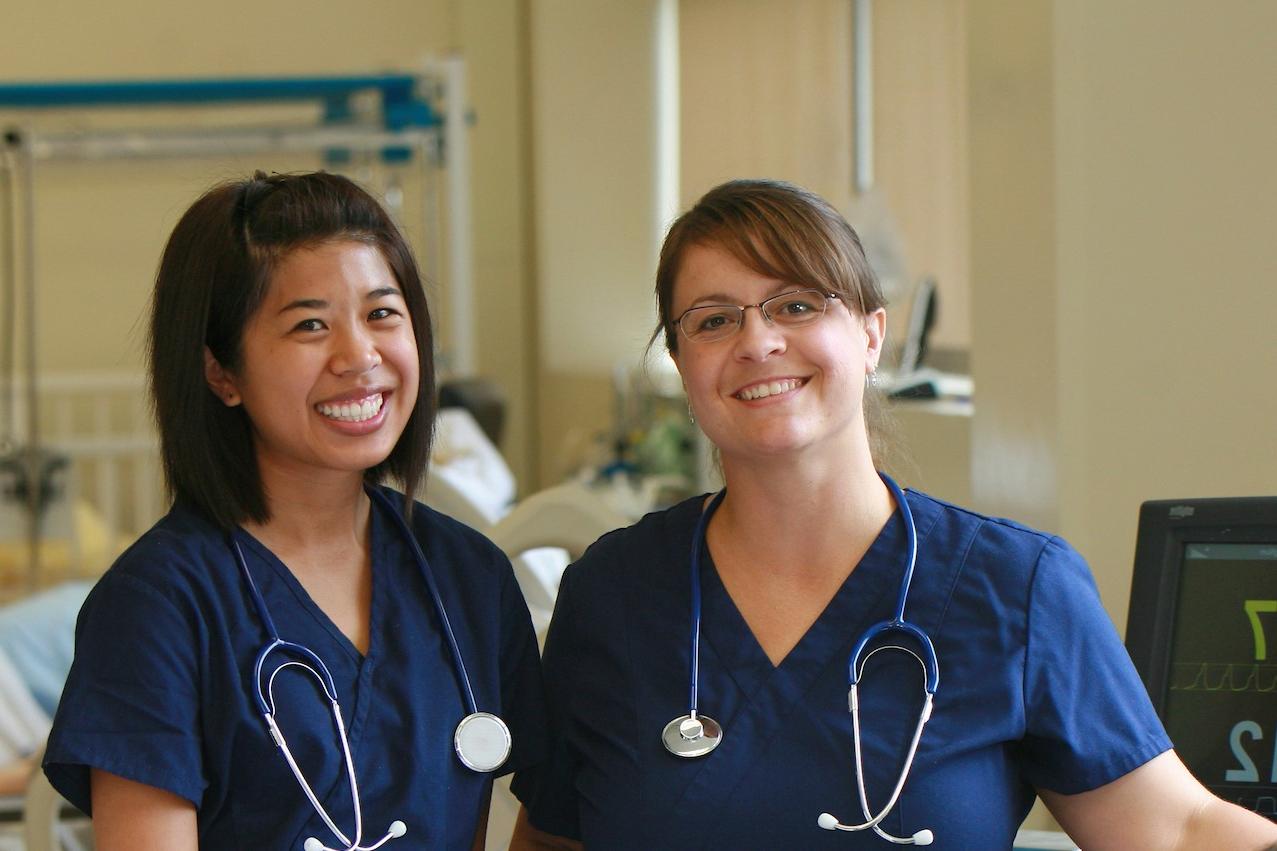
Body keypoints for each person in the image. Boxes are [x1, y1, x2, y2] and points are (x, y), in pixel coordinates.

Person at [508, 179, 1277, 849]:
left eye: (797, 303)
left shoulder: (1014, 587)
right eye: (712, 320)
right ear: (681, 363)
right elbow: (549, 836)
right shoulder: (613, 592)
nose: (758, 340)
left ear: (871, 334)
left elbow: (1176, 828)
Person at [42, 171, 546, 850]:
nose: (359, 356)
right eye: (310, 324)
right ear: (221, 372)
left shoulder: (468, 576)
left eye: (381, 313)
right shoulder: (158, 603)